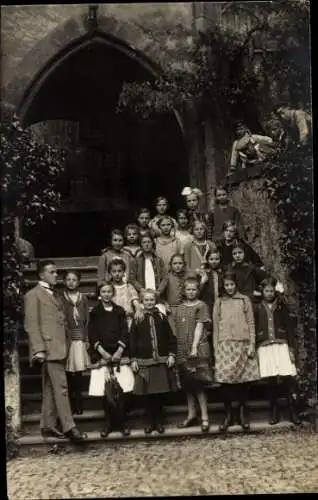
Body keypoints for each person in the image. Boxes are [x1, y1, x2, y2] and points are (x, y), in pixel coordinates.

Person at [24, 260, 86, 441]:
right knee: (61, 387)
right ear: (41, 275)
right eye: (52, 272)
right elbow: (31, 325)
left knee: (51, 387)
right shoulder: (33, 295)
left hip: (60, 347)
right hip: (48, 349)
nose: (56, 275)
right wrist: (39, 349)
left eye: (56, 272)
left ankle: (48, 426)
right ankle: (70, 427)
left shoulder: (56, 293)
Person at [213, 271, 259, 432]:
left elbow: (251, 323)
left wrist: (252, 344)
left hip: (243, 344)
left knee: (243, 382)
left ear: (236, 284)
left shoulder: (244, 300)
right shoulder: (219, 302)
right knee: (225, 381)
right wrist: (216, 349)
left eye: (232, 284)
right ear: (223, 286)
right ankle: (228, 414)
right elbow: (216, 327)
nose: (229, 287)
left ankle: (241, 414)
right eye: (226, 285)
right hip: (225, 345)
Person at [254, 277, 301, 425]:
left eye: (271, 291)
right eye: (266, 291)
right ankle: (275, 411)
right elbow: (254, 327)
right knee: (271, 380)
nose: (269, 293)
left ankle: (292, 411)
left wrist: (291, 347)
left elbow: (289, 326)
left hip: (281, 345)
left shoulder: (281, 306)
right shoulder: (257, 307)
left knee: (287, 377)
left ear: (275, 291)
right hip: (265, 346)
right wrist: (256, 345)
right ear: (262, 292)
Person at [130, 289, 177, 434]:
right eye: (146, 300)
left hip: (160, 361)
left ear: (155, 301)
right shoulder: (137, 318)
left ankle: (159, 421)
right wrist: (133, 359)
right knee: (148, 395)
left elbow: (170, 338)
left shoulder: (161, 317)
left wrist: (171, 354)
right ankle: (150, 422)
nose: (149, 302)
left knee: (158, 394)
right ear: (142, 302)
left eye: (152, 300)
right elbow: (132, 340)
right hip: (144, 361)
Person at [88, 281, 131, 437]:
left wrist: (120, 350)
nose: (106, 294)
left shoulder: (119, 311)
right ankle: (108, 423)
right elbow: (92, 334)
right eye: (103, 291)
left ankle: (122, 423)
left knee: (121, 391)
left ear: (113, 293)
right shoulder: (95, 312)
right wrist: (102, 351)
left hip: (118, 354)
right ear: (100, 293)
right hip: (103, 355)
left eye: (109, 291)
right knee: (105, 392)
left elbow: (125, 332)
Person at [173, 277, 212, 433]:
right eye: (188, 289)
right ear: (184, 291)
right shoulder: (180, 307)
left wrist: (194, 347)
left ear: (198, 290)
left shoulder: (201, 306)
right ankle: (191, 414)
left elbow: (200, 326)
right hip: (182, 348)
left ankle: (205, 417)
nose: (191, 292)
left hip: (197, 347)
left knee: (199, 384)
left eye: (194, 289)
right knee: (188, 385)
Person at [61, 270, 90, 415]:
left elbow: (86, 320)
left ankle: (78, 400)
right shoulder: (61, 298)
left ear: (79, 282)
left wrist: (86, 338)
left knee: (78, 372)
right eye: (68, 279)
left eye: (74, 279)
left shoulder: (83, 298)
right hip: (67, 338)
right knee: (67, 371)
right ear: (64, 281)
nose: (71, 282)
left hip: (79, 338)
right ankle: (69, 402)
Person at [199, 249, 224, 365]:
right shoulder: (203, 273)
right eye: (211, 259)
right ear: (207, 260)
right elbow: (197, 293)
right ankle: (210, 363)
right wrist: (202, 282)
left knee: (221, 333)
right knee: (208, 334)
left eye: (217, 259)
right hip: (208, 307)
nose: (214, 261)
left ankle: (221, 361)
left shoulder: (222, 273)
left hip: (221, 306)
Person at [108, 258, 143, 329]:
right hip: (113, 319)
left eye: (119, 271)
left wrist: (138, 310)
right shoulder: (108, 287)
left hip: (128, 319)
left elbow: (135, 301)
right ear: (110, 273)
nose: (117, 274)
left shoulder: (128, 286)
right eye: (114, 271)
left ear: (124, 272)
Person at [158, 253, 188, 333]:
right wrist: (165, 303)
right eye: (175, 263)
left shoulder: (188, 276)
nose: (177, 266)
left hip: (186, 308)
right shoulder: (167, 277)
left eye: (180, 263)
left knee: (185, 332)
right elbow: (158, 293)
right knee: (174, 333)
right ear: (171, 265)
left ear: (184, 264)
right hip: (172, 310)